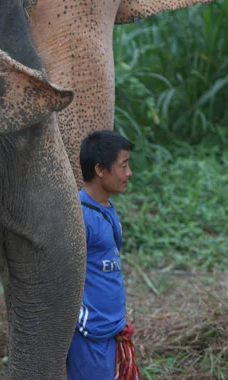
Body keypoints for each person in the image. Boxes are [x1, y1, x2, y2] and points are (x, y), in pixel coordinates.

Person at [66, 130, 140, 380]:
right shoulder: (79, 217)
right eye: (123, 166)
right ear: (100, 169)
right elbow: (64, 278)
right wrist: (85, 325)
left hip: (108, 330)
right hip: (89, 334)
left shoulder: (106, 207)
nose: (128, 173)